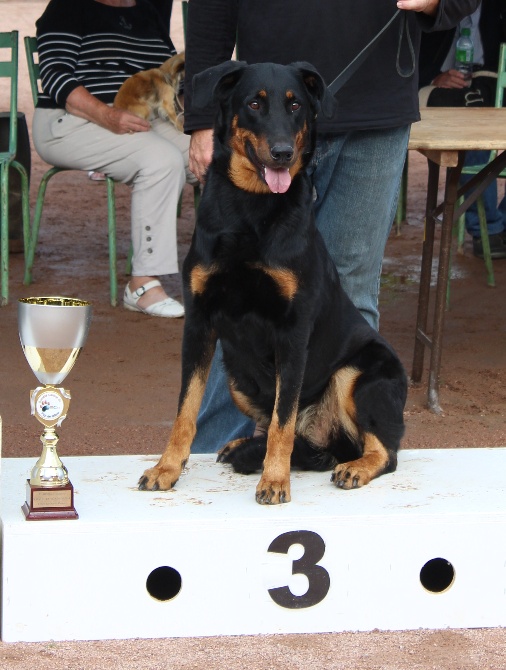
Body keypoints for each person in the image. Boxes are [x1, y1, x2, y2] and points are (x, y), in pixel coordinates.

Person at [181, 0, 481, 453]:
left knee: (350, 294)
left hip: (374, 111)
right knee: (233, 302)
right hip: (265, 110)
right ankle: (211, 460)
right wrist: (204, 116)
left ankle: (333, 458)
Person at [33, 0, 197, 318]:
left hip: (143, 115)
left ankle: (231, 266)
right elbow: (54, 77)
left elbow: (165, 75)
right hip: (72, 120)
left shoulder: (150, 9)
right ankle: (142, 285)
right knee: (162, 161)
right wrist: (107, 115)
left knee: (211, 153)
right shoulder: (67, 8)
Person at [419, 1, 506, 259]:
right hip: (440, 84)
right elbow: (412, 50)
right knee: (476, 132)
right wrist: (435, 76)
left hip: (489, 81)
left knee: (482, 113)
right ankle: (486, 230)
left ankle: (496, 226)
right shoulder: (433, 4)